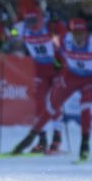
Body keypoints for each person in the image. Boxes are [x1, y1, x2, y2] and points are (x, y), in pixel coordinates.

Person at [10, 18, 92, 161]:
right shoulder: (64, 39)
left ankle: (84, 144)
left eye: (81, 33)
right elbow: (54, 46)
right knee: (51, 106)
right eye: (75, 33)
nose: (78, 37)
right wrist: (57, 61)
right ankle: (30, 139)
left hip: (91, 78)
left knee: (85, 106)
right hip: (72, 76)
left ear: (86, 33)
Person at [21, 8, 66, 153]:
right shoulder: (24, 29)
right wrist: (2, 27)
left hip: (56, 68)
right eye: (28, 21)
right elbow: (8, 35)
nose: (31, 24)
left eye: (34, 21)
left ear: (40, 19)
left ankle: (57, 137)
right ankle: (42, 139)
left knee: (55, 102)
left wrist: (57, 20)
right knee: (39, 103)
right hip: (40, 71)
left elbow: (63, 35)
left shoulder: (49, 26)